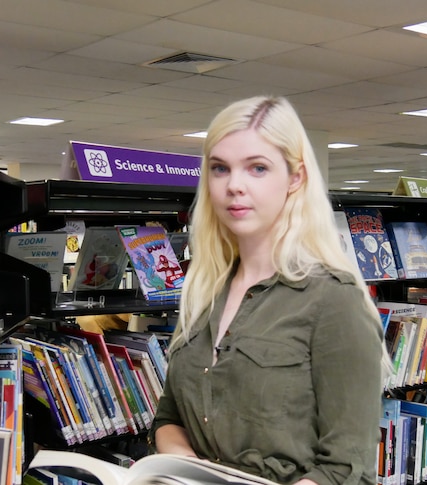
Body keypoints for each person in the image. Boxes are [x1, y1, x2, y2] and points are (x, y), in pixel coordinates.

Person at [150, 95, 392, 485]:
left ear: (295, 178)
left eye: (257, 168)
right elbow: (169, 418)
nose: (234, 186)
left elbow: (348, 469)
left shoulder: (333, 299)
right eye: (220, 168)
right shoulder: (204, 288)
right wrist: (191, 472)